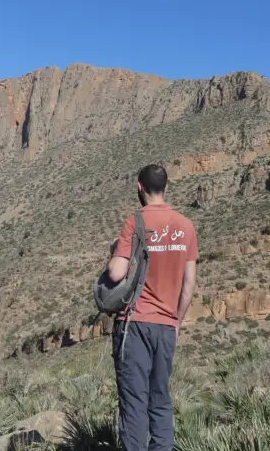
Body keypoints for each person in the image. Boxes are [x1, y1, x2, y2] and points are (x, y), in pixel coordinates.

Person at [106, 163, 198, 451]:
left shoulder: (136, 222)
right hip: (166, 326)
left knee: (134, 401)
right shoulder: (185, 226)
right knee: (160, 399)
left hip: (135, 325)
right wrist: (177, 322)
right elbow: (189, 283)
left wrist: (114, 253)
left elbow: (116, 274)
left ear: (139, 187)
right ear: (166, 187)